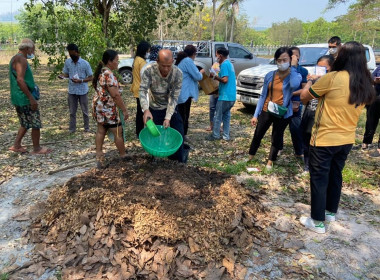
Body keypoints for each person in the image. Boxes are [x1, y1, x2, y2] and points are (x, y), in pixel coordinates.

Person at [299, 41, 375, 234]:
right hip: (347, 139)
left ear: (342, 57)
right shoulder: (365, 82)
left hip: (325, 138)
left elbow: (305, 97)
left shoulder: (332, 78)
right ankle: (330, 212)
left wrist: (311, 80)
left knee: (319, 178)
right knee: (335, 175)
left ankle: (317, 221)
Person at [248, 47, 301, 169]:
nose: (281, 63)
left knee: (276, 137)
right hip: (267, 109)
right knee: (258, 134)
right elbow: (263, 95)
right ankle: (250, 156)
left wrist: (293, 67)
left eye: (285, 60)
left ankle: (270, 162)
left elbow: (294, 85)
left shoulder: (295, 75)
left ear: (291, 59)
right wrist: (256, 114)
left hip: (283, 113)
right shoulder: (270, 75)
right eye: (279, 60)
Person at [139, 49, 186, 163]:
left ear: (173, 62)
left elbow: (174, 97)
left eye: (168, 66)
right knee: (153, 138)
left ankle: (179, 165)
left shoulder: (178, 73)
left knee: (179, 136)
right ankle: (154, 162)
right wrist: (145, 110)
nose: (166, 69)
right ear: (157, 61)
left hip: (171, 108)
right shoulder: (149, 71)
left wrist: (168, 117)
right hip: (153, 108)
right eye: (163, 66)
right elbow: (143, 91)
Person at [9, 38, 52, 155]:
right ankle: (37, 148)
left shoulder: (15, 58)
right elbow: (20, 80)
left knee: (25, 122)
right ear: (27, 49)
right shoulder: (21, 59)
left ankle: (16, 145)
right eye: (32, 49)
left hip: (18, 97)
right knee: (35, 122)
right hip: (24, 97)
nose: (33, 52)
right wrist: (31, 98)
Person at [92, 50, 129, 166]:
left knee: (101, 130)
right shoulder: (109, 75)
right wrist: (124, 109)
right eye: (116, 60)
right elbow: (115, 95)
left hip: (99, 106)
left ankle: (99, 155)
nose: (118, 63)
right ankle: (123, 156)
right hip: (108, 108)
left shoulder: (101, 72)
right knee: (118, 131)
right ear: (110, 61)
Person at [301, 55, 334, 172]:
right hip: (309, 112)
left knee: (317, 143)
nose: (321, 72)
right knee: (306, 139)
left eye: (324, 68)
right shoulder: (314, 81)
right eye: (319, 68)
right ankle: (307, 165)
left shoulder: (332, 81)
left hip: (322, 115)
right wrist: (310, 81)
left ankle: (315, 166)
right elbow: (304, 98)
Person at [281, 46, 309, 158]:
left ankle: (299, 151)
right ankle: (278, 148)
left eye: (295, 55)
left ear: (299, 57)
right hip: (282, 104)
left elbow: (304, 89)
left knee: (295, 129)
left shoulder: (303, 71)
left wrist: (291, 93)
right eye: (290, 55)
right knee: (279, 128)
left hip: (296, 105)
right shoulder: (283, 70)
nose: (293, 57)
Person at [59, 44, 93, 133]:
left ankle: (86, 128)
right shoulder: (67, 62)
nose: (71, 56)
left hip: (82, 90)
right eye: (70, 54)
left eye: (73, 54)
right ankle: (72, 129)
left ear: (77, 53)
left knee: (85, 111)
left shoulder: (85, 63)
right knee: (72, 112)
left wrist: (81, 80)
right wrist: (62, 76)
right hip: (72, 90)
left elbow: (91, 77)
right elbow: (66, 73)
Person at [206, 47, 236, 141]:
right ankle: (226, 136)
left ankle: (215, 135)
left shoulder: (224, 65)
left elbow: (225, 80)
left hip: (225, 96)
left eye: (216, 55)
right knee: (226, 115)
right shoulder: (229, 64)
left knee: (217, 116)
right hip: (231, 96)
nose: (216, 57)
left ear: (220, 55)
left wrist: (214, 76)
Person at [175, 45, 204, 141]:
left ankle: (181, 135)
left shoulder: (182, 60)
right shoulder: (188, 61)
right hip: (185, 93)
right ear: (193, 54)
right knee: (184, 115)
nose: (195, 56)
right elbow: (197, 76)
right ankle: (182, 136)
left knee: (182, 114)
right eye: (195, 54)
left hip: (182, 93)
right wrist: (202, 72)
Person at [131, 41, 150, 137]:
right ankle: (140, 132)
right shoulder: (142, 62)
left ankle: (138, 131)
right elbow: (145, 76)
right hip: (141, 90)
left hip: (136, 88)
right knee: (143, 112)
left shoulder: (136, 59)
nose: (148, 52)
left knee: (139, 112)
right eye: (148, 50)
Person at [361, 64, 380, 157]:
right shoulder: (379, 68)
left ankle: (379, 148)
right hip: (375, 98)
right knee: (371, 121)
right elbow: (371, 79)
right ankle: (366, 142)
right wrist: (375, 80)